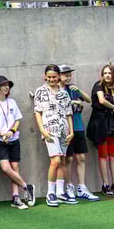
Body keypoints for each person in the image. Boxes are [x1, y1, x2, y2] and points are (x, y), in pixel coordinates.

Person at [0, 76, 36, 209]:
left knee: (15, 167)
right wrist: (2, 134)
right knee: (6, 168)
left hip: (13, 138)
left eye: (8, 85)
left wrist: (12, 131)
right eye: (4, 85)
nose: (7, 87)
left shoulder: (12, 102)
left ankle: (16, 197)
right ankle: (27, 187)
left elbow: (17, 120)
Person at [33, 65, 76, 207]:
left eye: (54, 77)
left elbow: (69, 113)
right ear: (45, 77)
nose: (51, 79)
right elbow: (37, 112)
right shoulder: (40, 91)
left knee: (62, 161)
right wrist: (42, 131)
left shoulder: (64, 93)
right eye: (49, 77)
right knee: (55, 161)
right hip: (50, 131)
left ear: (58, 76)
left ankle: (60, 192)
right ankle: (50, 193)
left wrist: (71, 132)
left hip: (64, 131)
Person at [86, 64, 114, 197]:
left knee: (113, 154)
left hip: (111, 124)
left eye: (109, 73)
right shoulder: (98, 85)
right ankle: (105, 185)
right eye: (105, 73)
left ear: (113, 75)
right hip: (99, 124)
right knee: (103, 155)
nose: (107, 75)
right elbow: (101, 100)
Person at [58, 66, 99, 201]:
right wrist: (73, 102)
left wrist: (78, 93)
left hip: (78, 126)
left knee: (81, 157)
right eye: (66, 75)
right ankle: (69, 187)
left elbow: (88, 100)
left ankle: (81, 188)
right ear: (59, 76)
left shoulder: (72, 88)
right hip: (65, 129)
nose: (68, 77)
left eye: (69, 75)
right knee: (68, 159)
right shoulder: (56, 90)